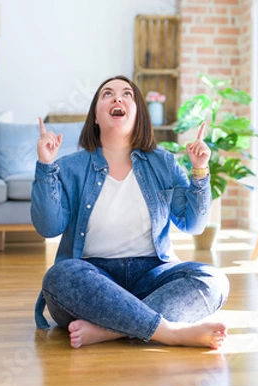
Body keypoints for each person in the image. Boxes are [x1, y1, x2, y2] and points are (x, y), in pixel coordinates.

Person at [32, 75, 230, 349]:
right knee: (58, 277)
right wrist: (45, 166)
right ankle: (169, 331)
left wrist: (200, 170)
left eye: (127, 94)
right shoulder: (70, 167)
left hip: (152, 274)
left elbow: (193, 224)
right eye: (107, 94)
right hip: (92, 279)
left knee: (214, 280)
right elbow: (48, 227)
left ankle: (108, 330)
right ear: (96, 118)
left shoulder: (164, 163)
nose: (118, 98)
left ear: (138, 115)